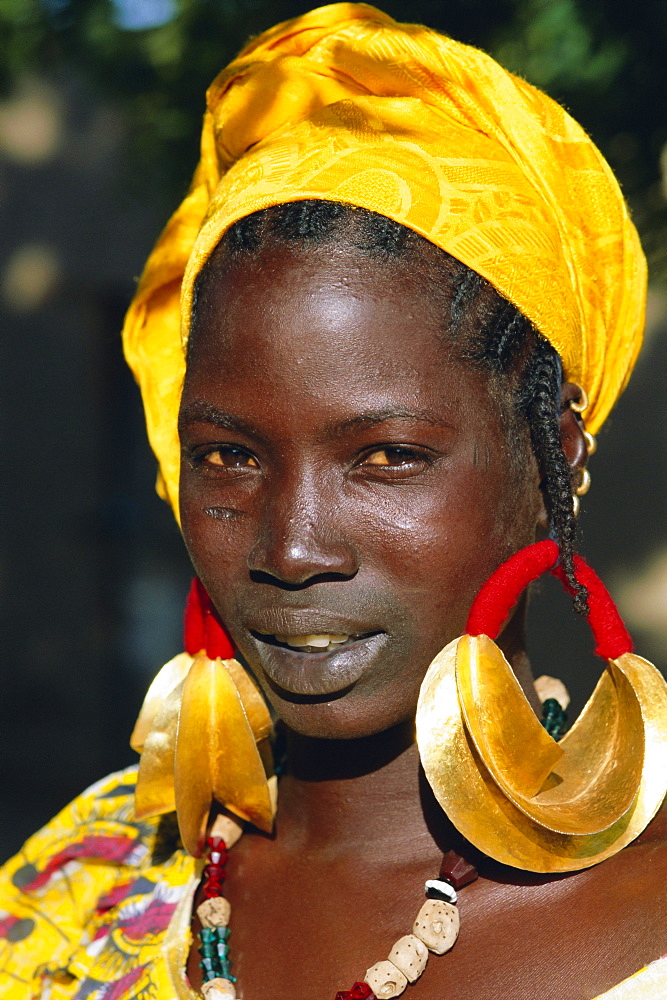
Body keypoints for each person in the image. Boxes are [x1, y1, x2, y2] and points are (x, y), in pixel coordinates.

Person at [1, 5, 666, 999]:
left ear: (553, 454)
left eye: (387, 456)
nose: (294, 545)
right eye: (228, 456)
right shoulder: (81, 895)